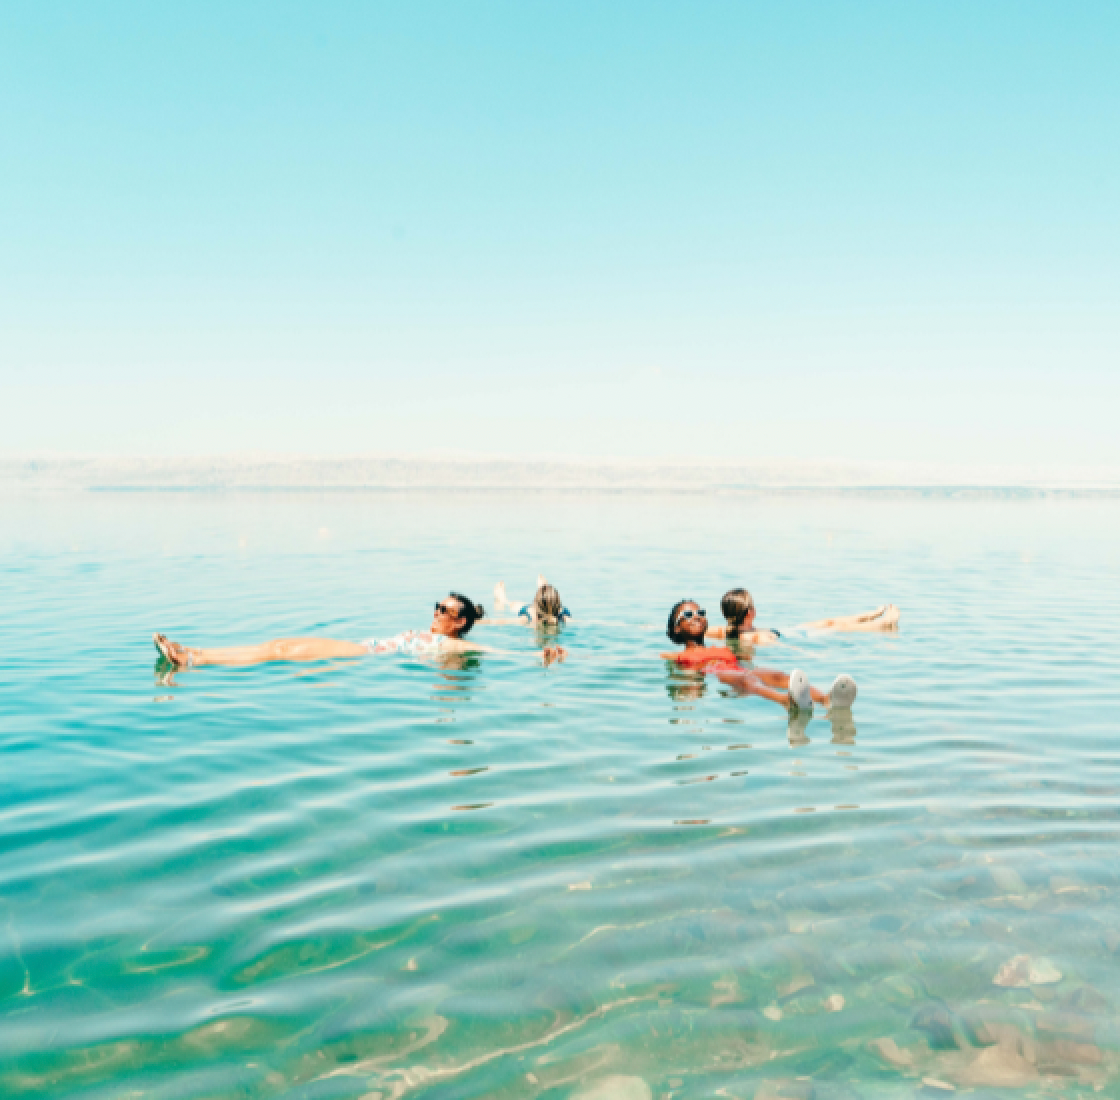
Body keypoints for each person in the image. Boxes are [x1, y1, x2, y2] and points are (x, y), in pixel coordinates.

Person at [154, 592, 563, 668]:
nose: (436, 612)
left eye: (444, 610)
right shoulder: (438, 639)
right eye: (437, 606)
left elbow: (487, 653)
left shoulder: (451, 648)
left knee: (279, 649)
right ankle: (194, 654)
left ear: (459, 623)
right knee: (277, 645)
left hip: (360, 655)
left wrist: (536, 656)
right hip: (356, 648)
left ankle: (192, 659)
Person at [660, 599, 857, 710]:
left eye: (701, 612)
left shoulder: (719, 647)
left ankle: (826, 699)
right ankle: (786, 701)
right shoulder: (675, 655)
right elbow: (657, 658)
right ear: (677, 628)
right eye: (688, 615)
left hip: (738, 669)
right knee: (748, 679)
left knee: (778, 675)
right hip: (715, 672)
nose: (697, 616)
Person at [706, 587, 899, 643]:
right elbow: (786, 650)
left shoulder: (726, 630)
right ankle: (886, 624)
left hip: (786, 630)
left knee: (827, 621)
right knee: (838, 627)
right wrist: (812, 654)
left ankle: (870, 615)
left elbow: (705, 631)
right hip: (795, 636)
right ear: (750, 613)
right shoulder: (758, 637)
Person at [488, 577, 572, 627]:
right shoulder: (563, 618)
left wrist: (475, 619)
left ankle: (503, 600)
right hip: (544, 609)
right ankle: (545, 594)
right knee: (521, 605)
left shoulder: (527, 617)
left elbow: (501, 621)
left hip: (533, 612)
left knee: (514, 605)